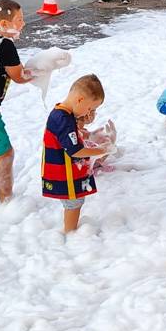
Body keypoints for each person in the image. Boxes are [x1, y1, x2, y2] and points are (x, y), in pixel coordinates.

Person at [42, 75, 110, 233]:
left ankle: (70, 231)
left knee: (75, 203)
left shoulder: (63, 113)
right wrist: (101, 150)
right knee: (74, 204)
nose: (90, 113)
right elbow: (75, 150)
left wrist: (84, 132)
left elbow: (68, 136)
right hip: (64, 172)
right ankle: (69, 233)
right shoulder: (63, 119)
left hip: (65, 170)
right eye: (91, 108)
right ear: (79, 100)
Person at [0, 0, 32, 203]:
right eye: (19, 19)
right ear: (4, 24)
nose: (23, 23)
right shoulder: (5, 45)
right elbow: (19, 76)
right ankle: (6, 203)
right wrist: (42, 70)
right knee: (5, 155)